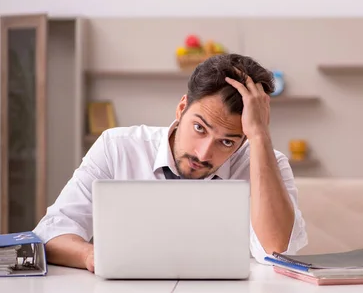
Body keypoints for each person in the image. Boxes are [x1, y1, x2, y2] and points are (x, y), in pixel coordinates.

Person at [32, 53, 308, 273]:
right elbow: (51, 232)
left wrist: (259, 135)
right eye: (200, 128)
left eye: (227, 142)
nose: (203, 154)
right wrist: (91, 255)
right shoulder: (117, 147)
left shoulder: (266, 162)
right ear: (181, 108)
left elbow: (276, 252)